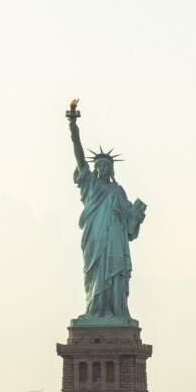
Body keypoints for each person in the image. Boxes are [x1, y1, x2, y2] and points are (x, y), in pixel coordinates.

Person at [66, 101, 147, 320]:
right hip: (95, 238)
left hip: (115, 242)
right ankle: (95, 309)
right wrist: (73, 126)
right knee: (94, 274)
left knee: (115, 273)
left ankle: (115, 311)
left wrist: (137, 216)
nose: (102, 168)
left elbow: (130, 229)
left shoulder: (118, 192)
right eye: (99, 165)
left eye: (106, 166)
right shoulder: (90, 185)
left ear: (111, 169)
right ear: (94, 168)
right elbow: (79, 155)